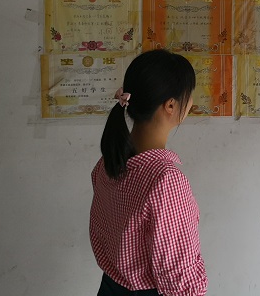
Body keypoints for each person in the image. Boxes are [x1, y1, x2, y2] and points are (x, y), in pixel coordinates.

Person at [89, 49, 208, 296]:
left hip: (109, 287)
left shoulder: (108, 163)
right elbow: (177, 275)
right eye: (189, 95)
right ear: (171, 105)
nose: (191, 102)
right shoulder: (166, 180)